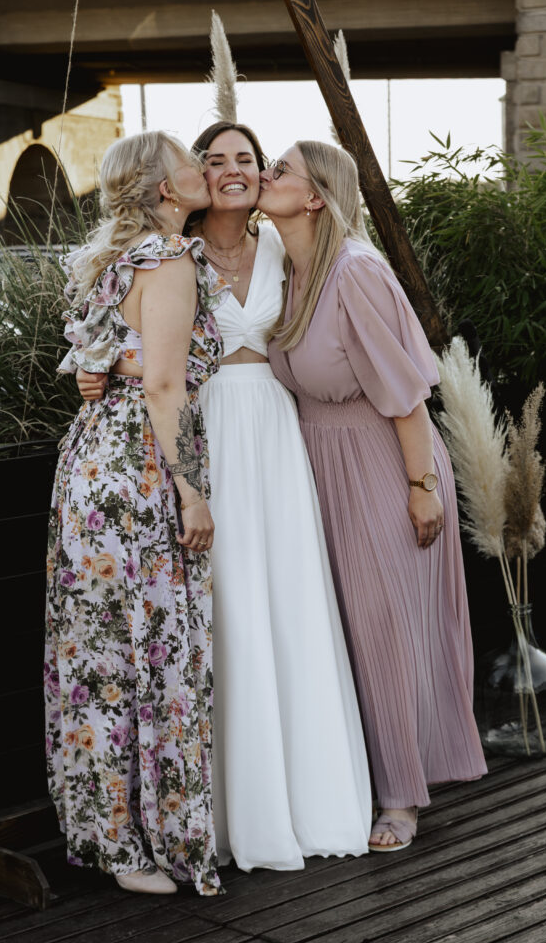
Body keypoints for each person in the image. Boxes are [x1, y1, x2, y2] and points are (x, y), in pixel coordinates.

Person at [79, 122, 372, 872]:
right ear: (193, 179)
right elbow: (115, 331)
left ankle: (309, 798)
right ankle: (223, 811)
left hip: (275, 435)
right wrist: (92, 367)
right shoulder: (172, 250)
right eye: (214, 160)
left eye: (247, 158)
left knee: (288, 599)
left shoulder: (285, 248)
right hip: (201, 430)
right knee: (220, 605)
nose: (233, 170)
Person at [260, 141, 488, 852]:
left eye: (279, 170)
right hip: (319, 465)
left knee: (386, 627)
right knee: (346, 629)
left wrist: (421, 489)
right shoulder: (288, 270)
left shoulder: (354, 271)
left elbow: (407, 397)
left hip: (383, 461)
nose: (264, 174)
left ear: (315, 197)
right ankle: (365, 778)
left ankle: (400, 798)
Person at [44, 131, 229, 896]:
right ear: (163, 188)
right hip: (139, 473)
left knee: (101, 655)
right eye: (191, 163)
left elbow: (106, 358)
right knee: (150, 650)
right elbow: (163, 385)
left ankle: (112, 838)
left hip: (89, 466)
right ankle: (143, 844)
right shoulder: (171, 259)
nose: (204, 171)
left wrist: (104, 368)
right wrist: (191, 489)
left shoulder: (115, 260)